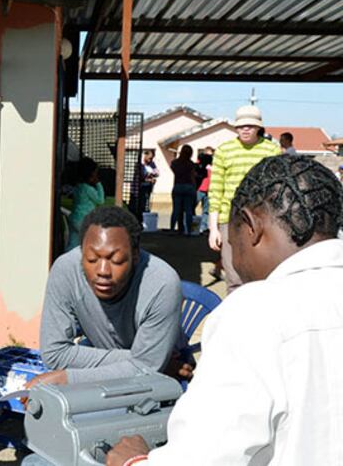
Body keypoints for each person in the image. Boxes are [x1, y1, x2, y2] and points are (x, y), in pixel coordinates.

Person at [107, 154, 343, 466]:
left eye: (231, 242)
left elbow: (203, 457)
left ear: (250, 226)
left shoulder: (254, 313)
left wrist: (132, 461)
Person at [30, 206, 192, 387]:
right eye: (91, 259)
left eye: (116, 261)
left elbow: (147, 371)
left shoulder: (162, 283)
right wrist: (147, 362)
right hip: (156, 364)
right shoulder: (66, 270)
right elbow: (54, 353)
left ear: (135, 256)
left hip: (167, 376)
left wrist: (66, 378)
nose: (102, 271)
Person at [208, 104, 281, 293]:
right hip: (229, 219)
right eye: (241, 126)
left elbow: (276, 188)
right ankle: (233, 318)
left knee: (260, 275)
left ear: (258, 127)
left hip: (262, 220)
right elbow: (216, 190)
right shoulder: (224, 150)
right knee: (233, 276)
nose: (245, 129)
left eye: (250, 125)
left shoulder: (271, 150)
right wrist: (213, 228)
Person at [67, 157, 105, 249]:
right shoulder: (88, 189)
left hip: (74, 218)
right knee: (88, 244)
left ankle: (67, 259)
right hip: (84, 220)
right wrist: (99, 184)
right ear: (91, 175)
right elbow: (101, 200)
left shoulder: (78, 186)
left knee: (73, 244)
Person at [169, 145, 197, 236]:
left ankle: (173, 229)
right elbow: (193, 176)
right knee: (188, 210)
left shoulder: (175, 163)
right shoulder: (191, 164)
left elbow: (174, 170)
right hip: (189, 186)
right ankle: (188, 230)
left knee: (176, 209)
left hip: (178, 185)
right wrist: (194, 187)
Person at [195, 147, 214, 234]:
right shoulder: (199, 164)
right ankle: (193, 225)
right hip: (199, 189)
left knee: (206, 210)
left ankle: (203, 227)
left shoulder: (213, 166)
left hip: (209, 190)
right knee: (192, 207)